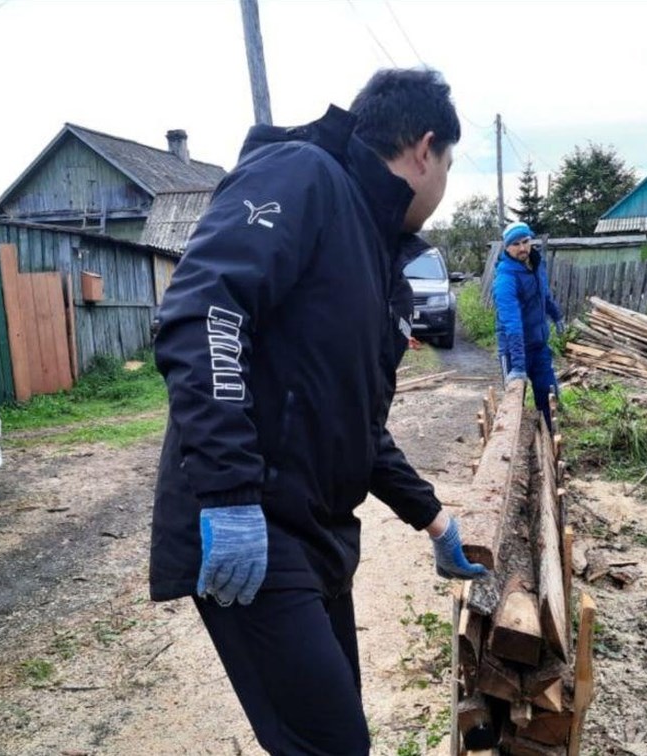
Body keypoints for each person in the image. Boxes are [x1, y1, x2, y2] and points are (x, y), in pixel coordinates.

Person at [150, 68, 488, 755]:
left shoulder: (377, 253)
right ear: (425, 149)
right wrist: (229, 492)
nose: (444, 183)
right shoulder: (302, 177)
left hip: (316, 535)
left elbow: (357, 426)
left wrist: (431, 516)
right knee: (330, 745)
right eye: (448, 164)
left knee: (335, 733)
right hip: (251, 527)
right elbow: (204, 311)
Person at [493, 221, 564, 429]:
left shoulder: (535, 265)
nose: (522, 248)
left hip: (539, 346)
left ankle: (549, 440)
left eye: (525, 241)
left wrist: (557, 316)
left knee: (549, 394)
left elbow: (545, 296)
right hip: (514, 350)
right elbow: (512, 324)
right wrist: (518, 365)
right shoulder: (506, 278)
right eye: (515, 244)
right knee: (515, 402)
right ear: (506, 247)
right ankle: (512, 450)